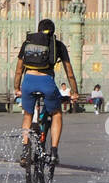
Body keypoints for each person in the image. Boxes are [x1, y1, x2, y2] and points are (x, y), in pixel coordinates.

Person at [13, 17, 78, 168]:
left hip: (28, 83)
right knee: (56, 113)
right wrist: (74, 92)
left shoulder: (28, 43)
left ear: (38, 30)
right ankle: (54, 152)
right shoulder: (58, 45)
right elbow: (70, 73)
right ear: (53, 31)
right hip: (47, 83)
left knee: (28, 115)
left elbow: (18, 71)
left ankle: (24, 151)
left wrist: (17, 88)